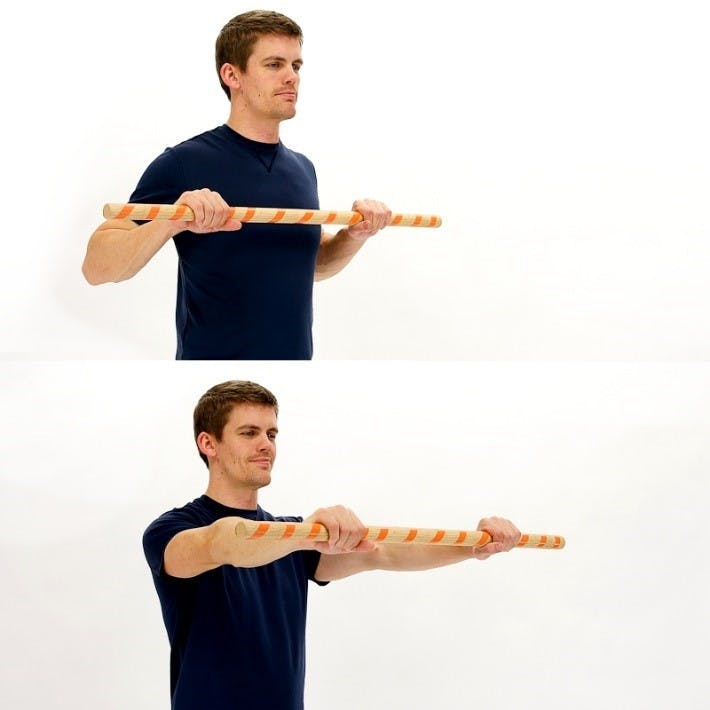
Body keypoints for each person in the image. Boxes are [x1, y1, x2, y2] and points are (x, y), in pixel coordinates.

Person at [142, 380, 521, 709]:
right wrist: (309, 532)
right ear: (208, 443)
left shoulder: (293, 538)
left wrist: (475, 546)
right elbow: (224, 543)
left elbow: (384, 552)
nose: (266, 446)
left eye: (272, 434)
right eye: (249, 433)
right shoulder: (170, 530)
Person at [81, 10, 392, 360]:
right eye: (274, 64)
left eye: (296, 66)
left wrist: (354, 235)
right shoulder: (184, 163)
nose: (291, 77)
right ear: (232, 74)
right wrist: (172, 220)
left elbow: (312, 265)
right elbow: (95, 267)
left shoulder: (303, 169)